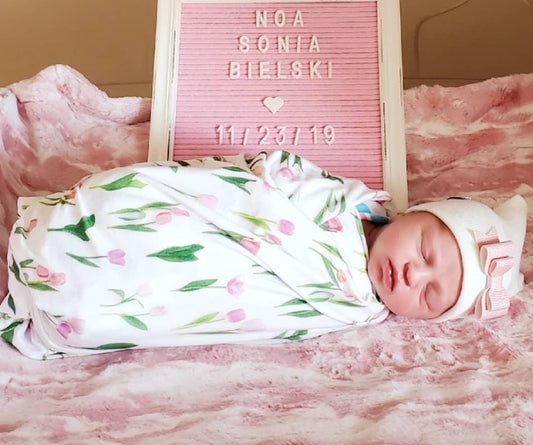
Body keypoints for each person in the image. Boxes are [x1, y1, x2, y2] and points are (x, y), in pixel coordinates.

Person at [0, 151, 527, 359]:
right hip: (209, 219)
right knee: (122, 215)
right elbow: (264, 174)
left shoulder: (358, 309)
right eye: (425, 249)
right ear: (412, 213)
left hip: (220, 288)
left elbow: (269, 318)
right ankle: (66, 235)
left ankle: (62, 295)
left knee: (133, 296)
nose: (412, 273)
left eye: (430, 296)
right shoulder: (343, 200)